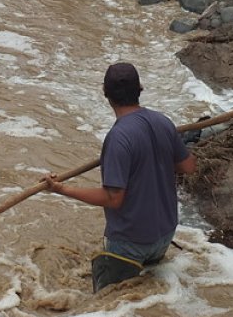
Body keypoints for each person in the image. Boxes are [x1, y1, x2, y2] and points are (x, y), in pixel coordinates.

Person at [44, 62, 197, 292]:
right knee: (147, 294)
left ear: (105, 93)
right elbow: (188, 166)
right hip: (165, 234)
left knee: (107, 301)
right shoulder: (164, 122)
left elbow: (113, 198)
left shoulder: (119, 138)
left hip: (131, 243)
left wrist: (61, 189)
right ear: (140, 89)